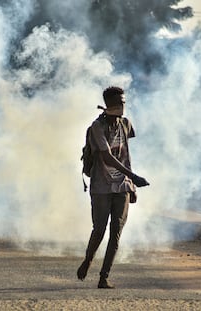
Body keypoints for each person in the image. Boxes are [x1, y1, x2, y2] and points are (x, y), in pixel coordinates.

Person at [77, 86, 149, 289]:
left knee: (116, 232)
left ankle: (104, 276)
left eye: (124, 102)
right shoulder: (96, 127)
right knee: (99, 230)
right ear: (110, 104)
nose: (123, 106)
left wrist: (131, 185)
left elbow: (126, 155)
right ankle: (88, 259)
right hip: (101, 186)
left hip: (122, 187)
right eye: (120, 102)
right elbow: (107, 157)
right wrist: (133, 176)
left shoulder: (126, 124)